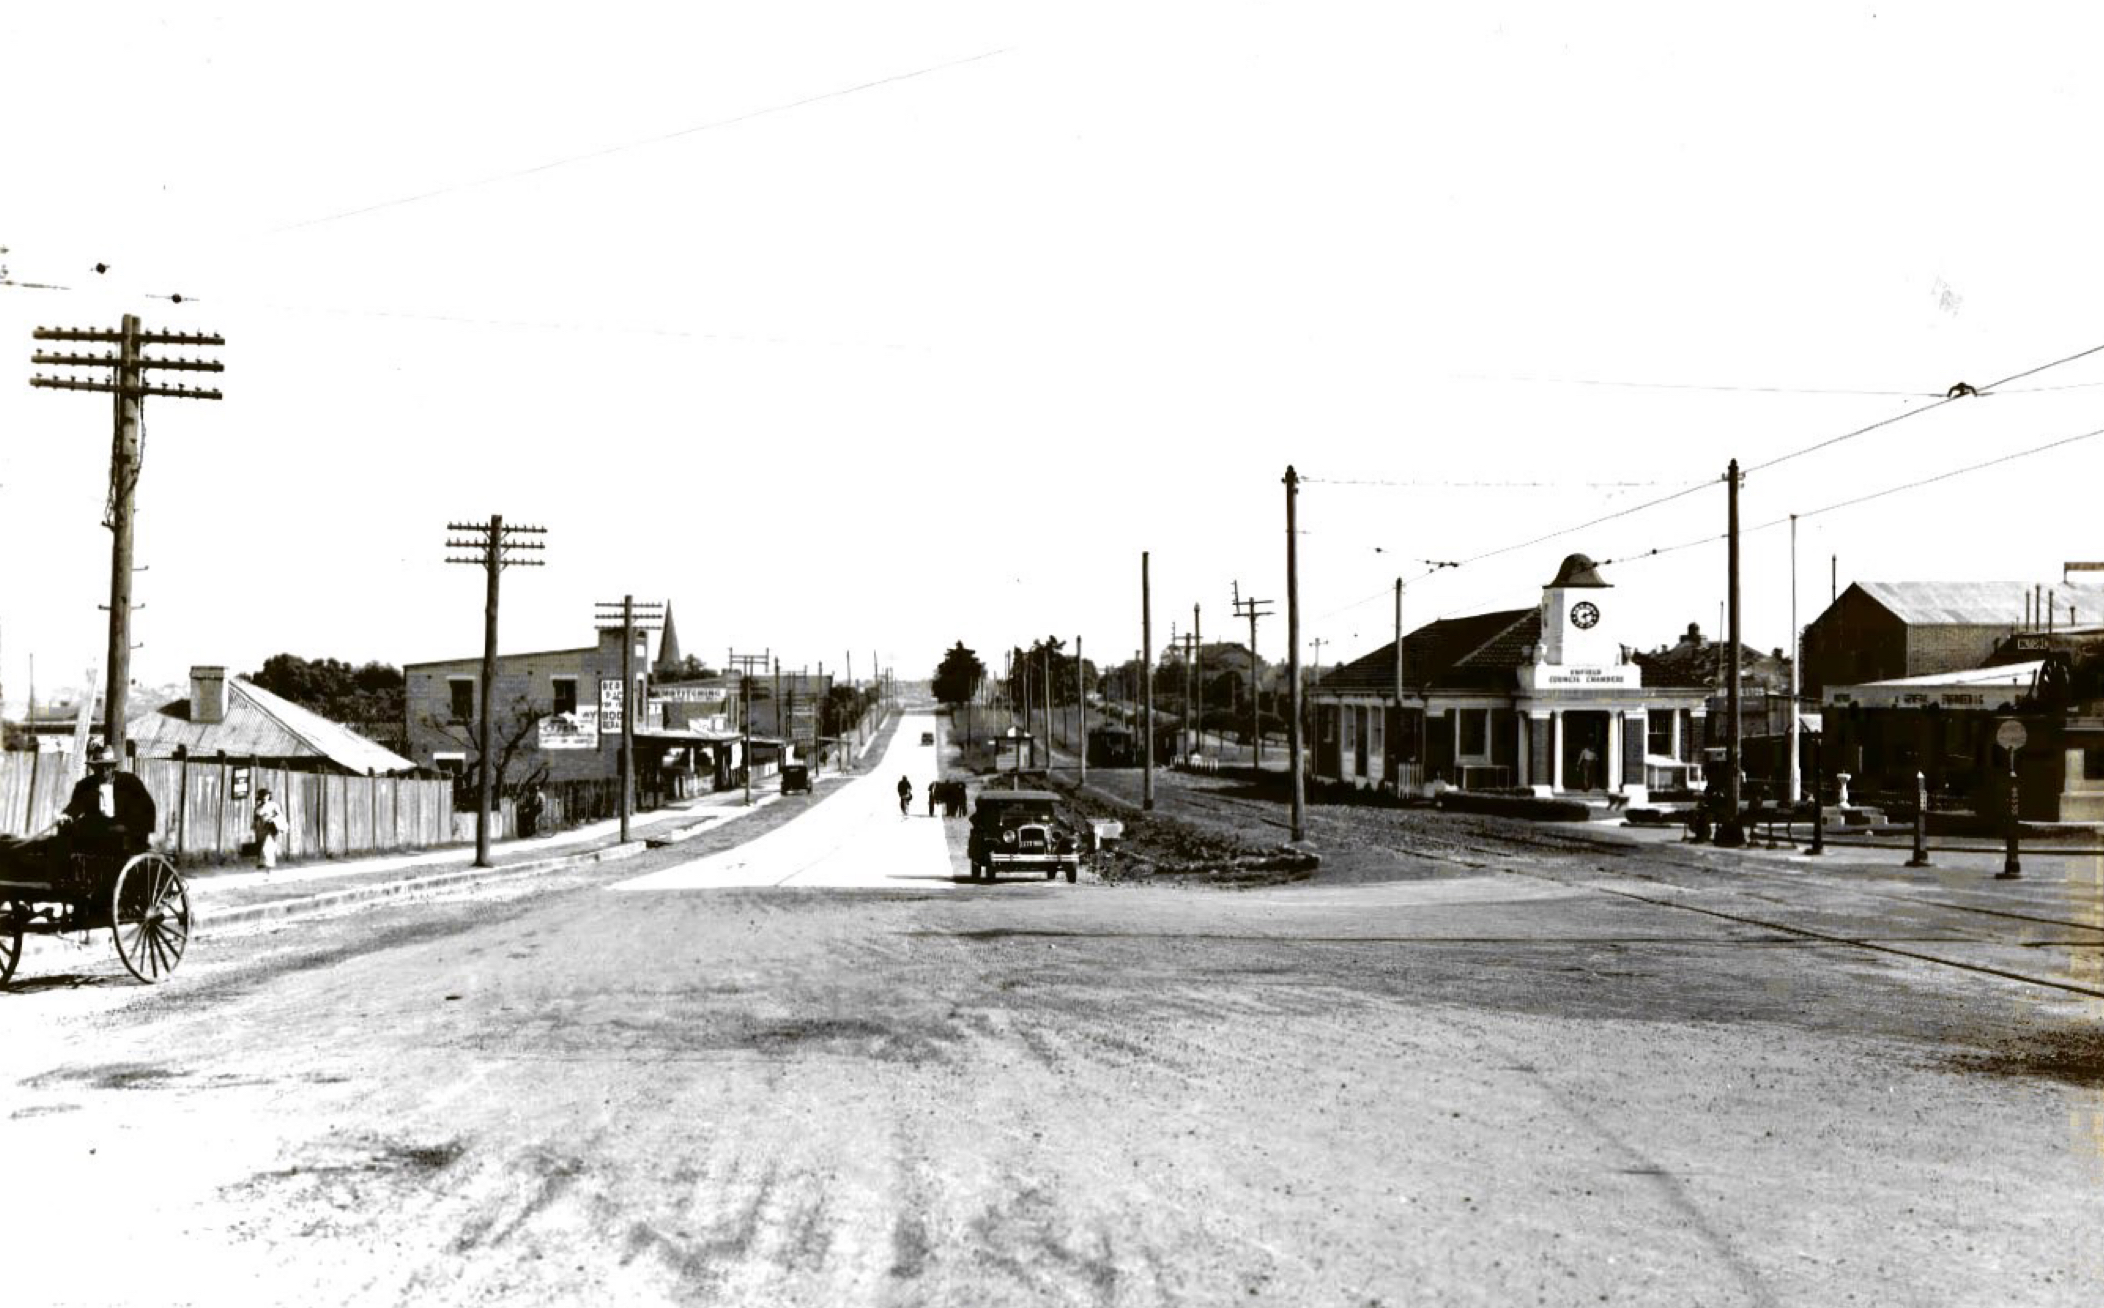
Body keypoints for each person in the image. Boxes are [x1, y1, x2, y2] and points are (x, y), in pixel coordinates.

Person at [59, 742, 157, 860]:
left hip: (125, 831)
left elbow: (146, 808)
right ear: (93, 768)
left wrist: (128, 827)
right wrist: (67, 815)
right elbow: (76, 805)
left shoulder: (130, 783)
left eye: (108, 766)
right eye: (100, 767)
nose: (104, 770)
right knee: (68, 835)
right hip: (98, 830)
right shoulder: (85, 786)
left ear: (113, 766)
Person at [252, 787, 285, 870]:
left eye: (266, 795)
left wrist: (272, 819)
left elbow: (279, 815)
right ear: (260, 797)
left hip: (271, 828)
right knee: (262, 847)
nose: (264, 797)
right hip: (261, 829)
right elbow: (255, 819)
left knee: (267, 847)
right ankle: (265, 867)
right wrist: (255, 828)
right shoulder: (258, 808)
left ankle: (268, 866)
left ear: (268, 796)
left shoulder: (273, 805)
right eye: (262, 796)